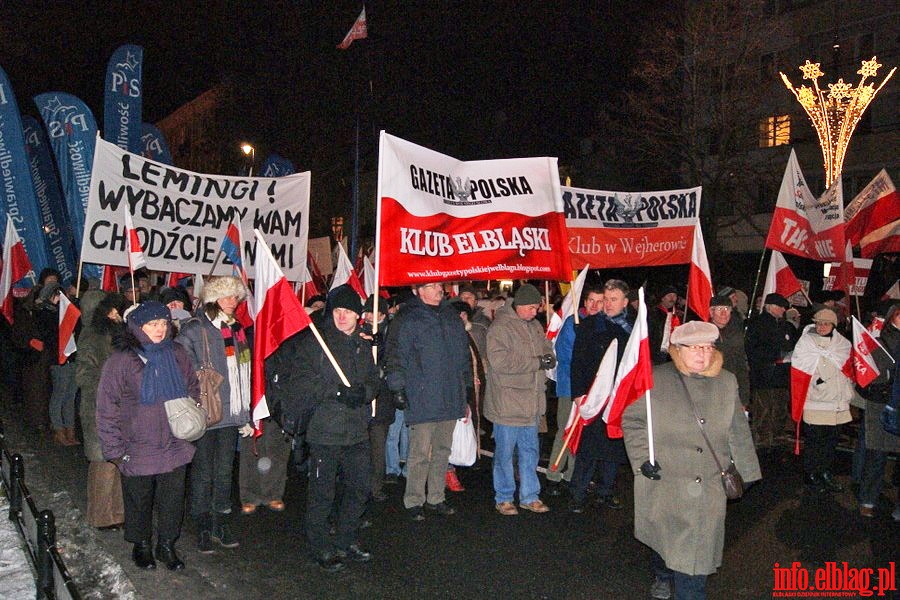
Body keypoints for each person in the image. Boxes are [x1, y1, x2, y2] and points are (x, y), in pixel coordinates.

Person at [622, 321, 761, 600]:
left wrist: (747, 472)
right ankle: (662, 574)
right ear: (677, 350)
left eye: (708, 347)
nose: (704, 353)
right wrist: (641, 459)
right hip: (666, 480)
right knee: (664, 541)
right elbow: (633, 420)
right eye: (695, 347)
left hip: (709, 484)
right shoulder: (654, 379)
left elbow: (737, 429)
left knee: (695, 559)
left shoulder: (727, 381)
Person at [96, 301, 198, 571]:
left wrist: (189, 421)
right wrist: (114, 450)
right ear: (137, 327)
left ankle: (166, 545)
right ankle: (141, 545)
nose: (160, 329)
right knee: (139, 499)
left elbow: (193, 387)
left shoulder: (177, 354)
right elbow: (106, 407)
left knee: (173, 500)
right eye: (152, 324)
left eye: (164, 323)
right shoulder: (121, 360)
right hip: (138, 445)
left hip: (175, 444)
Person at [294, 285, 378, 572]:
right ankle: (320, 545)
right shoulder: (317, 342)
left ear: (358, 315)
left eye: (348, 312)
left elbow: (373, 381)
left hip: (356, 431)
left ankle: (345, 538)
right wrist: (338, 392)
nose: (342, 317)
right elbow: (303, 380)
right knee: (322, 493)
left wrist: (364, 392)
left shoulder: (363, 344)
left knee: (359, 488)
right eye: (338, 311)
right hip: (325, 430)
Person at [384, 281, 471, 521]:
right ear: (418, 290)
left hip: (450, 394)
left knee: (443, 450)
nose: (438, 290)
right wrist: (397, 387)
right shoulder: (408, 318)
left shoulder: (451, 317)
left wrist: (467, 389)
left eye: (439, 286)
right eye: (431, 286)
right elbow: (395, 355)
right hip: (422, 395)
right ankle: (414, 500)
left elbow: (463, 355)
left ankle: (436, 497)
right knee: (420, 452)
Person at [176, 276, 251, 553]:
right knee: (204, 472)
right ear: (213, 299)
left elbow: (245, 370)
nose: (233, 302)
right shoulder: (196, 329)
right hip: (207, 412)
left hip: (231, 413)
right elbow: (181, 363)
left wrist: (245, 412)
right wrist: (198, 379)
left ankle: (221, 521)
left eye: (236, 297)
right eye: (228, 296)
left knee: (224, 472)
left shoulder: (238, 330)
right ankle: (203, 526)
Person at [484, 284, 555, 515]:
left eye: (537, 307)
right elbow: (500, 363)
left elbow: (547, 351)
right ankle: (504, 497)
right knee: (505, 454)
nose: (536, 312)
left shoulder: (534, 325)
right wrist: (537, 362)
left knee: (530, 451)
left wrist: (548, 358)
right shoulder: (500, 327)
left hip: (532, 402)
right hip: (508, 403)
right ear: (521, 306)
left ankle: (529, 496)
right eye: (532, 307)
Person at [568, 279, 634, 512]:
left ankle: (606, 490)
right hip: (594, 397)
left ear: (625, 302)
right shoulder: (590, 325)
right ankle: (578, 493)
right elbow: (577, 361)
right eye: (605, 299)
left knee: (613, 446)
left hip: (620, 396)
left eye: (613, 299)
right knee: (590, 447)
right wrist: (578, 393)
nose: (607, 304)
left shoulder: (634, 328)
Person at [546, 286, 605, 495]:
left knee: (582, 432)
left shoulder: (603, 324)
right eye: (591, 300)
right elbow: (566, 356)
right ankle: (554, 473)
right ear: (584, 301)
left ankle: (573, 475)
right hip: (571, 386)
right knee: (566, 429)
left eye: (600, 301)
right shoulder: (573, 323)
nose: (595, 305)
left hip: (593, 389)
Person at [75, 292, 127, 529]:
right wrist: (109, 385)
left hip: (116, 406)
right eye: (111, 310)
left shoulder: (113, 334)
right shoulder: (91, 337)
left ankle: (116, 513)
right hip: (98, 408)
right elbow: (84, 374)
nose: (116, 313)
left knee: (115, 461)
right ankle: (100, 516)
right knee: (102, 463)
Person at [791, 308, 854, 493]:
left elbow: (848, 368)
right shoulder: (806, 343)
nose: (821, 327)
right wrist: (820, 381)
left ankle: (825, 472)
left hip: (837, 403)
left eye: (826, 323)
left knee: (831, 441)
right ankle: (811, 474)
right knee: (815, 442)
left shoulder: (843, 344)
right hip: (816, 401)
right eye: (819, 323)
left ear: (834, 325)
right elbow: (801, 368)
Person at [856, 303, 900, 517]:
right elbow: (873, 374)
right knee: (877, 455)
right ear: (892, 318)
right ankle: (868, 499)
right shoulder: (880, 341)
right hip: (882, 403)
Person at [745, 293, 798, 451]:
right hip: (764, 372)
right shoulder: (758, 323)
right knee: (764, 405)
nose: (783, 310)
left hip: (780, 372)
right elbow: (752, 348)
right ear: (770, 306)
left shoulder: (782, 324)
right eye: (780, 307)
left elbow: (789, 344)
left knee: (780, 403)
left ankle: (776, 434)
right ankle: (761, 437)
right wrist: (769, 358)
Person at [361, 294, 396, 502]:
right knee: (361, 448)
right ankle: (359, 486)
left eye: (374, 312)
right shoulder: (358, 331)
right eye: (368, 312)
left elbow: (393, 357)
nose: (370, 316)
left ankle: (375, 486)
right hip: (363, 400)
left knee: (377, 446)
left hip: (382, 399)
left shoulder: (391, 332)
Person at [708, 296, 750, 407]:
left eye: (727, 309)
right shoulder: (704, 334)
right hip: (709, 389)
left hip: (730, 388)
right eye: (719, 309)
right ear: (711, 312)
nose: (723, 313)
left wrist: (744, 397)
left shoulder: (735, 334)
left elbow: (741, 366)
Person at [648, 286, 680, 365]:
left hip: (671, 352)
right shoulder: (654, 313)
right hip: (656, 352)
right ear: (662, 298)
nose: (672, 298)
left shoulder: (676, 314)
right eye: (669, 295)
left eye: (674, 296)